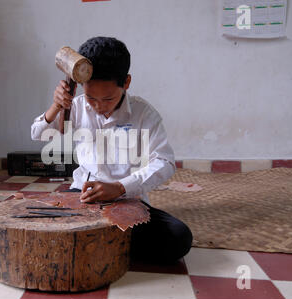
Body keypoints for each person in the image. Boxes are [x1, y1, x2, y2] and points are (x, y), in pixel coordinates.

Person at [31, 37, 192, 263]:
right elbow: (38, 134)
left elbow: (164, 162)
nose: (97, 106)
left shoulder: (144, 113)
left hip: (129, 201)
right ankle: (109, 246)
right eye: (90, 97)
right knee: (39, 221)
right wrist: (56, 105)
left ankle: (89, 246)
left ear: (126, 82)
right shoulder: (75, 106)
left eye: (107, 98)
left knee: (179, 237)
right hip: (83, 196)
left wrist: (119, 187)